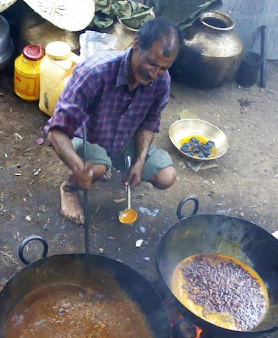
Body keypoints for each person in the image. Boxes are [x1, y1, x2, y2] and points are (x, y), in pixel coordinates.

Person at [45, 17, 180, 225]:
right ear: (136, 45)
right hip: (86, 135)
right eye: (152, 63)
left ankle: (107, 162)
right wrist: (79, 168)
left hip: (122, 139)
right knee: (96, 169)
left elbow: (150, 120)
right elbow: (55, 131)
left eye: (163, 68)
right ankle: (68, 189)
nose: (155, 74)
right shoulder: (95, 72)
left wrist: (140, 161)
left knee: (166, 176)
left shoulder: (161, 79)